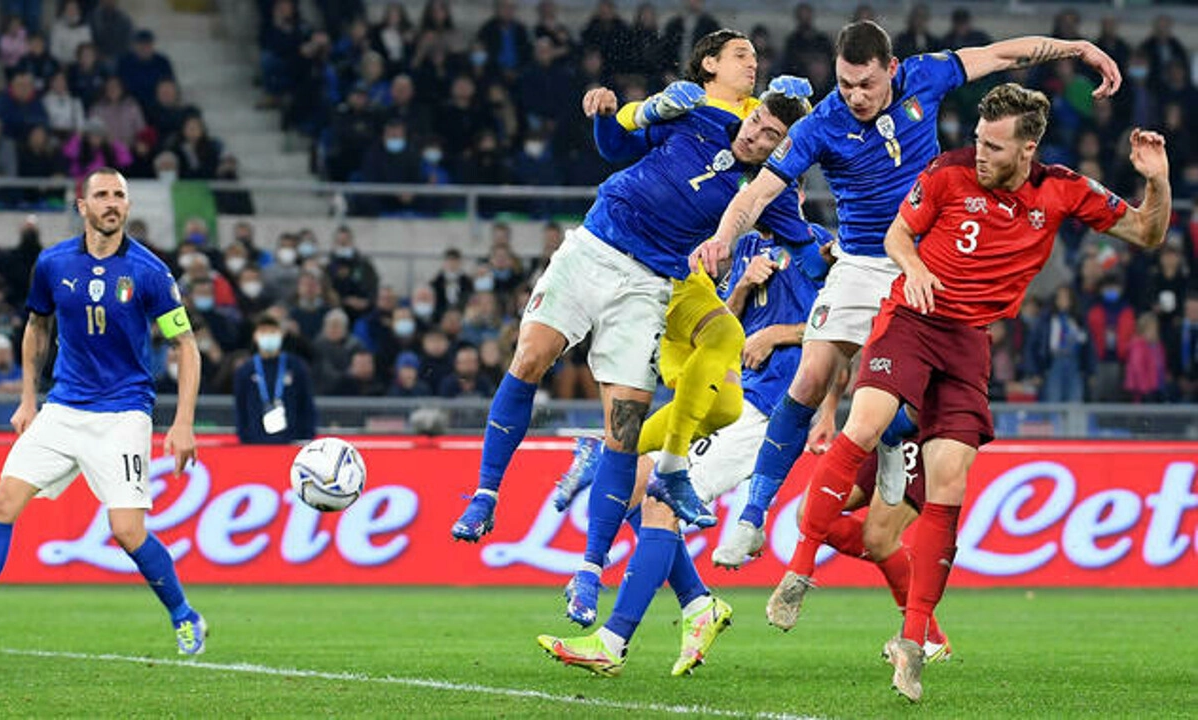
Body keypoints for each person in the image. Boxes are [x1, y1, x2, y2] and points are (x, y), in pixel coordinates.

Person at [694, 20, 1123, 574]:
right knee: (809, 377)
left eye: (866, 85)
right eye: (846, 84)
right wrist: (724, 236)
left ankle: (894, 442)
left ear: (891, 70)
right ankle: (752, 518)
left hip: (927, 261)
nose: (855, 96)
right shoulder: (822, 123)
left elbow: (1002, 55)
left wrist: (1078, 47)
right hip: (860, 261)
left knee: (909, 397)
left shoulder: (926, 75)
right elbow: (758, 193)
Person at [803, 85, 1167, 702]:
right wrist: (833, 402)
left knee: (885, 533)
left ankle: (918, 633)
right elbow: (868, 294)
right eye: (977, 137)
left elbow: (1147, 233)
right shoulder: (948, 176)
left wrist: (1156, 182)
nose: (978, 151)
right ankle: (880, 607)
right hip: (908, 364)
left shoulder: (1060, 189)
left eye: (994, 145)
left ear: (1028, 150)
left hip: (957, 364)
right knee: (869, 531)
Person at [451, 29, 811, 564]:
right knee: (530, 357)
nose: (753, 67)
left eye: (769, 133)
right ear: (709, 64)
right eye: (743, 55)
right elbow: (618, 144)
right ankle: (486, 494)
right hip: (600, 248)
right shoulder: (699, 113)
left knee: (692, 404)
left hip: (653, 284)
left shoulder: (767, 185)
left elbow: (805, 238)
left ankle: (606, 546)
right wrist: (608, 110)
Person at [0, 168, 207, 654]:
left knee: (127, 531)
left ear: (128, 207)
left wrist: (182, 423)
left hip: (122, 413)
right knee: (2, 501)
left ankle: (185, 615)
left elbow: (187, 345)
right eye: (102, 195)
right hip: (64, 406)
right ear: (82, 206)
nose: (111, 203)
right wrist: (29, 399)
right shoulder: (52, 264)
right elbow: (36, 328)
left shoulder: (150, 272)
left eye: (119, 195)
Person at [539, 222, 829, 677]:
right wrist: (743, 286)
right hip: (728, 390)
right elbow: (723, 325)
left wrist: (775, 335)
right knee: (636, 481)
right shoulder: (747, 246)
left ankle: (612, 642)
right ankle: (698, 603)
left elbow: (842, 329)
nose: (752, 199)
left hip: (768, 406)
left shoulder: (817, 247)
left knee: (658, 499)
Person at [234, 314, 316, 444]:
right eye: (263, 332)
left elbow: (306, 403)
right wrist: (245, 438)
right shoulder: (246, 370)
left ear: (281, 334)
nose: (268, 335)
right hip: (255, 443)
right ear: (255, 336)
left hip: (291, 441)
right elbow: (240, 407)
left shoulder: (296, 366)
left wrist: (305, 438)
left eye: (272, 332)